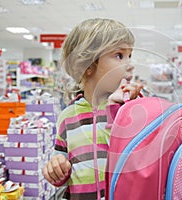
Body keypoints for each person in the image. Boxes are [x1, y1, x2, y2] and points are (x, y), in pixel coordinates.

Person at [42, 18, 143, 200]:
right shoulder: (67, 117)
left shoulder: (131, 108)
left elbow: (136, 162)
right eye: (119, 55)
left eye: (130, 55)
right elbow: (62, 169)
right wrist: (57, 169)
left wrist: (114, 108)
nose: (130, 63)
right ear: (88, 65)